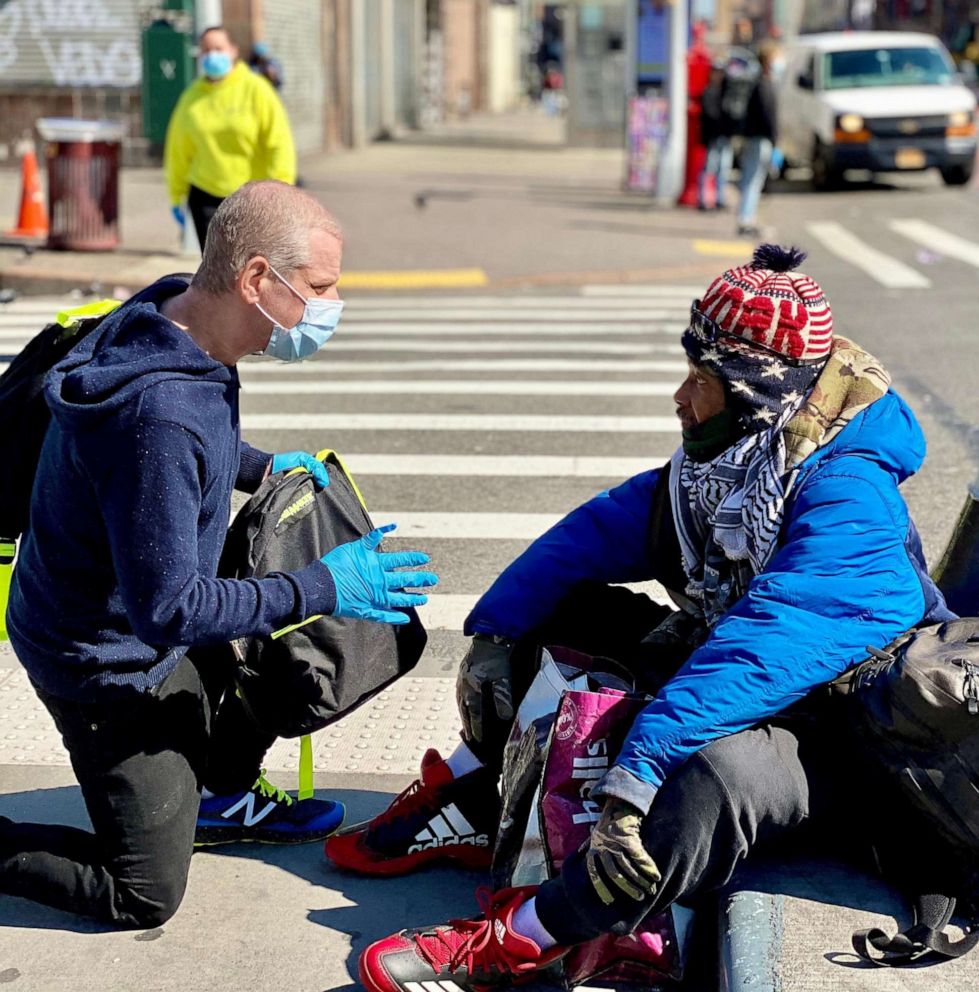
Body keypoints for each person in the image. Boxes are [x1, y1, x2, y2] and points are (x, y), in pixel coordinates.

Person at [326, 244, 954, 992]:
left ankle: (526, 938)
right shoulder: (742, 458)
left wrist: (638, 770)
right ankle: (471, 795)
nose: (680, 398)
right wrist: (495, 635)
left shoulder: (848, 489)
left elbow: (768, 645)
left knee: (711, 773)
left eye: (703, 381)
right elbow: (596, 533)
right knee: (558, 614)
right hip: (777, 690)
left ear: (755, 391)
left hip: (852, 741)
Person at [0, 180, 438, 929]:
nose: (330, 309)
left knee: (277, 657)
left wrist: (258, 467)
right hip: (102, 664)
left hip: (136, 613)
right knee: (143, 895)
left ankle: (219, 792)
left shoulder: (174, 314)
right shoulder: (158, 416)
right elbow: (169, 609)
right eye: (320, 289)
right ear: (256, 278)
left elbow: (195, 433)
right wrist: (322, 585)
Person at [164, 26, 296, 248]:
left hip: (253, 198)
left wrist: (280, 190)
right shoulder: (192, 98)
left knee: (250, 270)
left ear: (233, 51)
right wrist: (176, 194)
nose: (212, 55)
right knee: (215, 274)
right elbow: (178, 149)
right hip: (205, 195)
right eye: (206, 50)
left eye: (218, 48)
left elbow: (279, 143)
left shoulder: (257, 90)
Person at [737, 41, 779, 236]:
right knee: (753, 181)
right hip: (760, 139)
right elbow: (768, 115)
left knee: (752, 180)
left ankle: (747, 219)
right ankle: (746, 221)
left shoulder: (759, 82)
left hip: (756, 138)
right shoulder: (763, 83)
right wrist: (775, 139)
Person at [697, 62, 736, 211]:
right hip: (712, 138)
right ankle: (703, 199)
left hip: (724, 137)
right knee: (709, 168)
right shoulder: (708, 92)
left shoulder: (727, 92)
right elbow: (709, 115)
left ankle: (720, 199)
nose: (718, 76)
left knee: (723, 169)